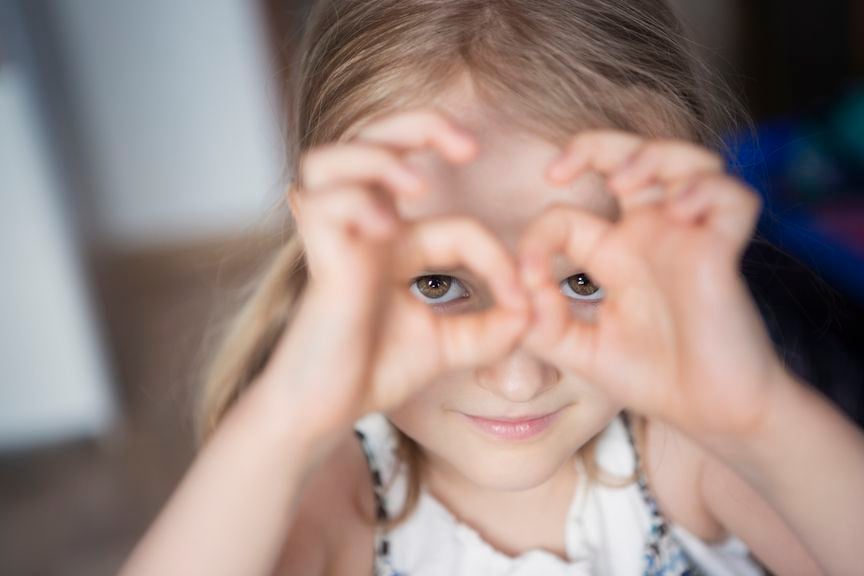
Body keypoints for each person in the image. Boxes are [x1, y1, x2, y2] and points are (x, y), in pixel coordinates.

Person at [118, 1, 864, 575]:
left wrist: (763, 416)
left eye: (582, 278)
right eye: (440, 282)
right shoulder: (338, 493)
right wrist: (286, 419)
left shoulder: (683, 450)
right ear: (329, 258)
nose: (518, 375)